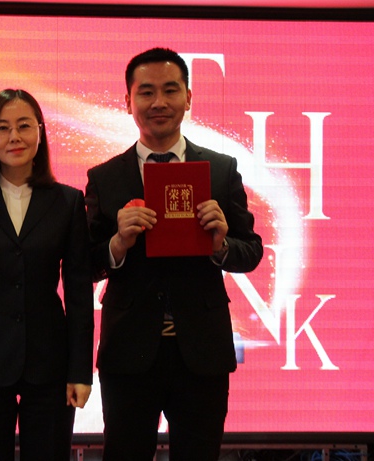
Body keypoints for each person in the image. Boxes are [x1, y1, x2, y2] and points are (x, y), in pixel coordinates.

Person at [85, 48, 263, 461]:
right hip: (130, 352)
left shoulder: (220, 169)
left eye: (170, 90)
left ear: (188, 97)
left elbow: (251, 251)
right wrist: (117, 243)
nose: (159, 102)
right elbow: (85, 265)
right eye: (146, 92)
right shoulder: (105, 177)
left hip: (201, 351)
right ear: (128, 101)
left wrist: (220, 245)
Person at [0, 89, 94, 461]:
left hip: (51, 362)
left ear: (40, 132)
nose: (14, 137)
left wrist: (80, 371)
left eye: (24, 126)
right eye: (3, 128)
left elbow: (78, 294)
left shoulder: (68, 201)